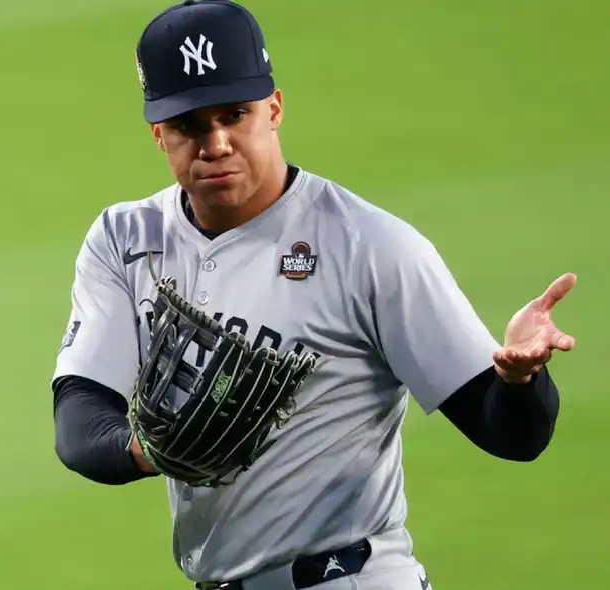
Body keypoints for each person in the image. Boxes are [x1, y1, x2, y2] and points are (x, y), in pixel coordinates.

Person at [50, 1, 577, 588]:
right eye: (190, 125)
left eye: (235, 114)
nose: (216, 142)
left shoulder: (370, 247)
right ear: (158, 134)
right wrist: (147, 452)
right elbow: (79, 420)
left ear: (274, 109)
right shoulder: (124, 240)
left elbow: (510, 435)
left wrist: (519, 379)